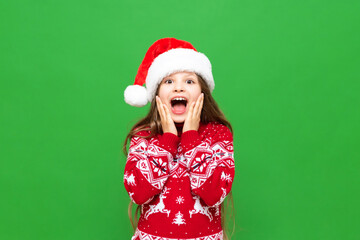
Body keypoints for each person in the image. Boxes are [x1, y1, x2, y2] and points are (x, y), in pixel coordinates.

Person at [122, 37, 235, 240]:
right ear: (156, 93)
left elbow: (214, 194)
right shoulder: (143, 136)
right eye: (168, 81)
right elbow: (138, 193)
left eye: (189, 81)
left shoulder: (219, 135)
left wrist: (191, 139)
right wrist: (167, 141)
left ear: (203, 93)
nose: (178, 88)